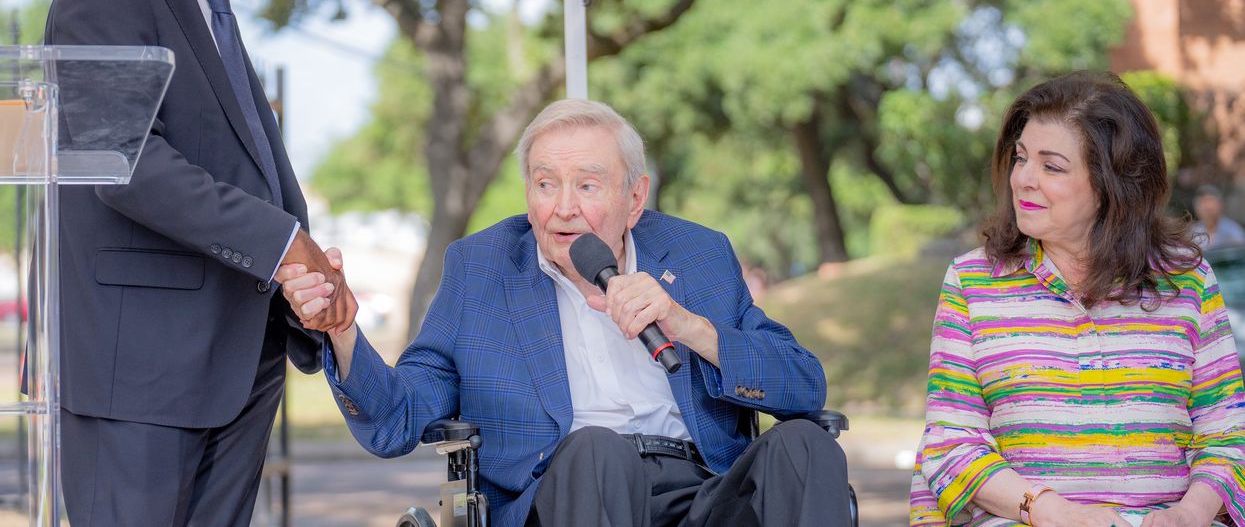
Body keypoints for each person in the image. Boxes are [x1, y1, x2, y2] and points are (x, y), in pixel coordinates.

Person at [277, 99, 853, 527]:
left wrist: (689, 326)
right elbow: (398, 418)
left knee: (805, 443)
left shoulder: (698, 256)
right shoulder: (482, 271)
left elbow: (803, 385)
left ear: (635, 199)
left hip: (702, 495)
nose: (562, 208)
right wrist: (345, 333)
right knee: (599, 448)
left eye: (587, 185)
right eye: (545, 183)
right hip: (567, 496)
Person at [43, 0, 355, 524]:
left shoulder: (213, 7)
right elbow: (121, 162)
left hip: (240, 369)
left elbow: (248, 169)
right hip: (143, 384)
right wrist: (280, 244)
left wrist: (303, 276)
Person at [909, 72, 1245, 527]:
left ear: (1112, 185)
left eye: (1052, 166)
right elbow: (951, 440)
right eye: (1022, 157)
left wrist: (1188, 515)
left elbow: (1227, 436)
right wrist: (1048, 511)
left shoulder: (1188, 282)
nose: (1023, 179)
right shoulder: (972, 281)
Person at [1191, 185, 1245, 251]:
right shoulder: (1193, 232)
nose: (1207, 208)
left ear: (1221, 205)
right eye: (1203, 203)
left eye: (1211, 202)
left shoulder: (1233, 231)